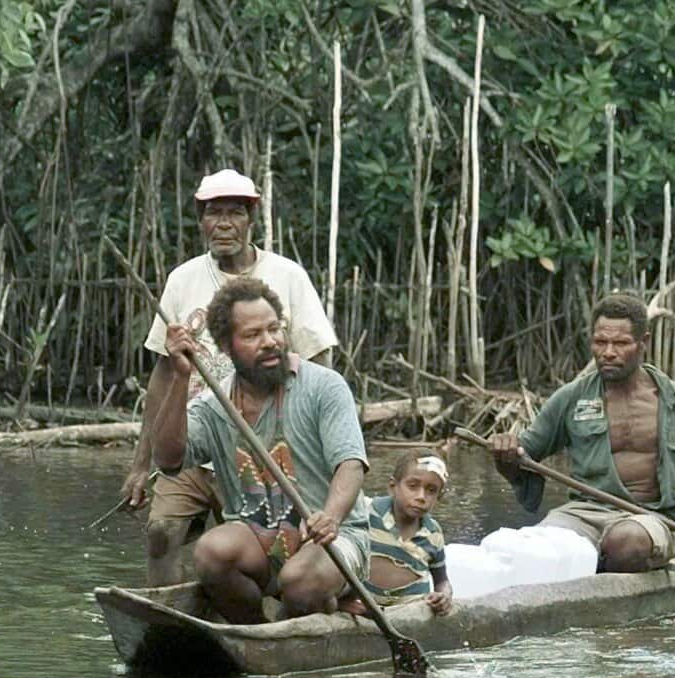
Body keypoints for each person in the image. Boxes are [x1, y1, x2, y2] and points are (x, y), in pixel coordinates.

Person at [120, 168, 338, 586]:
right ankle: (168, 612)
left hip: (265, 446)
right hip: (195, 438)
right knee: (161, 532)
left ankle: (251, 610)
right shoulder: (182, 280)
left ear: (251, 219)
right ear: (201, 221)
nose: (223, 224)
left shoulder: (288, 276)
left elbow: (319, 363)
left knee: (268, 548)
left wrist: (317, 449)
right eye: (213, 213)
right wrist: (140, 464)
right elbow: (163, 376)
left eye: (234, 213)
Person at [490, 293, 675, 573]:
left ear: (643, 342)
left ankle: (601, 574)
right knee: (535, 548)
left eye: (621, 343)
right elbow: (524, 459)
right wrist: (505, 454)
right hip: (582, 514)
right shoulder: (572, 398)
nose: (608, 352)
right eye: (600, 342)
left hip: (652, 520)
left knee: (625, 542)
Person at [152, 277, 368, 623]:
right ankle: (255, 630)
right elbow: (167, 459)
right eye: (252, 335)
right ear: (226, 346)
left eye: (274, 329)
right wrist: (180, 377)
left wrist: (330, 516)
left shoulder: (324, 386)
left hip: (333, 539)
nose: (269, 342)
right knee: (210, 552)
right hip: (259, 541)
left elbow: (351, 463)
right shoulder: (215, 405)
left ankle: (316, 604)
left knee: (300, 582)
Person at [341, 449, 453, 617]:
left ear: (439, 496)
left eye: (431, 490)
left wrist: (444, 595)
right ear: (393, 487)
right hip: (361, 608)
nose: (421, 497)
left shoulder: (433, 533)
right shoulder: (366, 513)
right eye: (413, 486)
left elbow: (442, 580)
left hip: (409, 612)